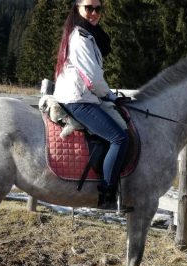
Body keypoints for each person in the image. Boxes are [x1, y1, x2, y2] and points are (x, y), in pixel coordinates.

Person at [53, 0, 132, 212]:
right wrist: (110, 97)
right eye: (88, 8)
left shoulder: (88, 35)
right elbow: (94, 77)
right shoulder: (80, 37)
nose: (94, 13)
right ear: (77, 9)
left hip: (82, 96)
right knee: (119, 138)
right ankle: (106, 195)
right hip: (78, 98)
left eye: (98, 9)